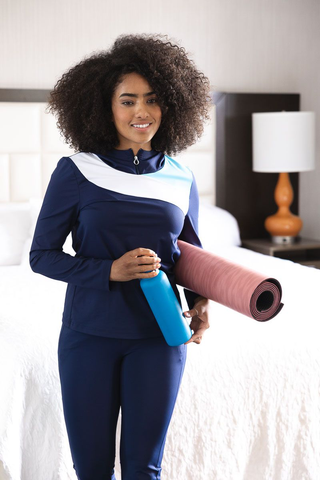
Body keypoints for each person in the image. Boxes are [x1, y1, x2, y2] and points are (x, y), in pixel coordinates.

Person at [30, 33, 212, 480]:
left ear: (169, 106)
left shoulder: (179, 176)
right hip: (89, 336)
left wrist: (201, 300)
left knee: (143, 469)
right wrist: (110, 269)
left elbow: (188, 254)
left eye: (152, 101)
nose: (141, 113)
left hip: (160, 337)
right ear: (105, 107)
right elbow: (42, 256)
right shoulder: (76, 171)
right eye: (128, 101)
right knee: (91, 469)